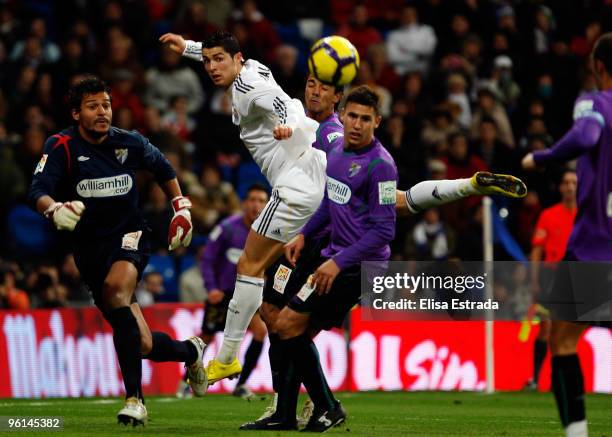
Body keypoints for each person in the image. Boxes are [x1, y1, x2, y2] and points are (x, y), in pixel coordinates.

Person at [159, 30, 528, 391]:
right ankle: (468, 185)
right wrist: (188, 48)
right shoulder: (252, 69)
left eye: (323, 86)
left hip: (303, 192)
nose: (314, 90)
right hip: (316, 192)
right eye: (310, 83)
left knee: (256, 275)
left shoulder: (325, 127)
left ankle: (231, 358)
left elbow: (284, 107)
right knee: (394, 204)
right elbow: (232, 66)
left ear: (337, 96)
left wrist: (292, 125)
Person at [27, 76, 206, 425]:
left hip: (131, 234)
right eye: (93, 106)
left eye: (106, 105)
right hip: (90, 250)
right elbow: (38, 190)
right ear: (77, 113)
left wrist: (181, 207)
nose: (102, 112)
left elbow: (164, 168)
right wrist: (54, 210)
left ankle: (135, 400)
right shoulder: (61, 145)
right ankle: (190, 350)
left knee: (115, 289)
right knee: (140, 343)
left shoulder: (130, 143)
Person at [245, 86, 396, 431]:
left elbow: (384, 231)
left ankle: (327, 406)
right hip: (330, 257)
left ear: (378, 122)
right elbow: (331, 203)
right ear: (342, 117)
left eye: (365, 119)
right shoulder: (338, 153)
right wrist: (304, 234)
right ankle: (287, 413)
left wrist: (339, 262)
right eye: (353, 116)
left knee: (286, 326)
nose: (357, 124)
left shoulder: (381, 167)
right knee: (285, 327)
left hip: (359, 266)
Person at [522, 33, 612, 437]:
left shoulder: (593, 101)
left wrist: (541, 156)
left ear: (598, 66)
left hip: (596, 247)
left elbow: (587, 136)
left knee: (561, 339)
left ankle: (577, 433)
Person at [176, 184, 269, 400]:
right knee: (206, 337)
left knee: (260, 332)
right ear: (245, 203)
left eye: (261, 200)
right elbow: (207, 259)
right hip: (223, 294)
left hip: (247, 294)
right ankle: (184, 381)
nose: (256, 205)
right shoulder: (227, 228)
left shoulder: (266, 233)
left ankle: (242, 384)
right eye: (253, 199)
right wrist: (211, 288)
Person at [526, 170, 577, 390]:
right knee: (545, 328)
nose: (570, 186)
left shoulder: (586, 216)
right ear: (560, 187)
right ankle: (536, 378)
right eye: (566, 182)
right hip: (550, 277)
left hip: (576, 277)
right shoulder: (548, 215)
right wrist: (534, 278)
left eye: (574, 182)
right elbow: (537, 249)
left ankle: (561, 379)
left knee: (565, 331)